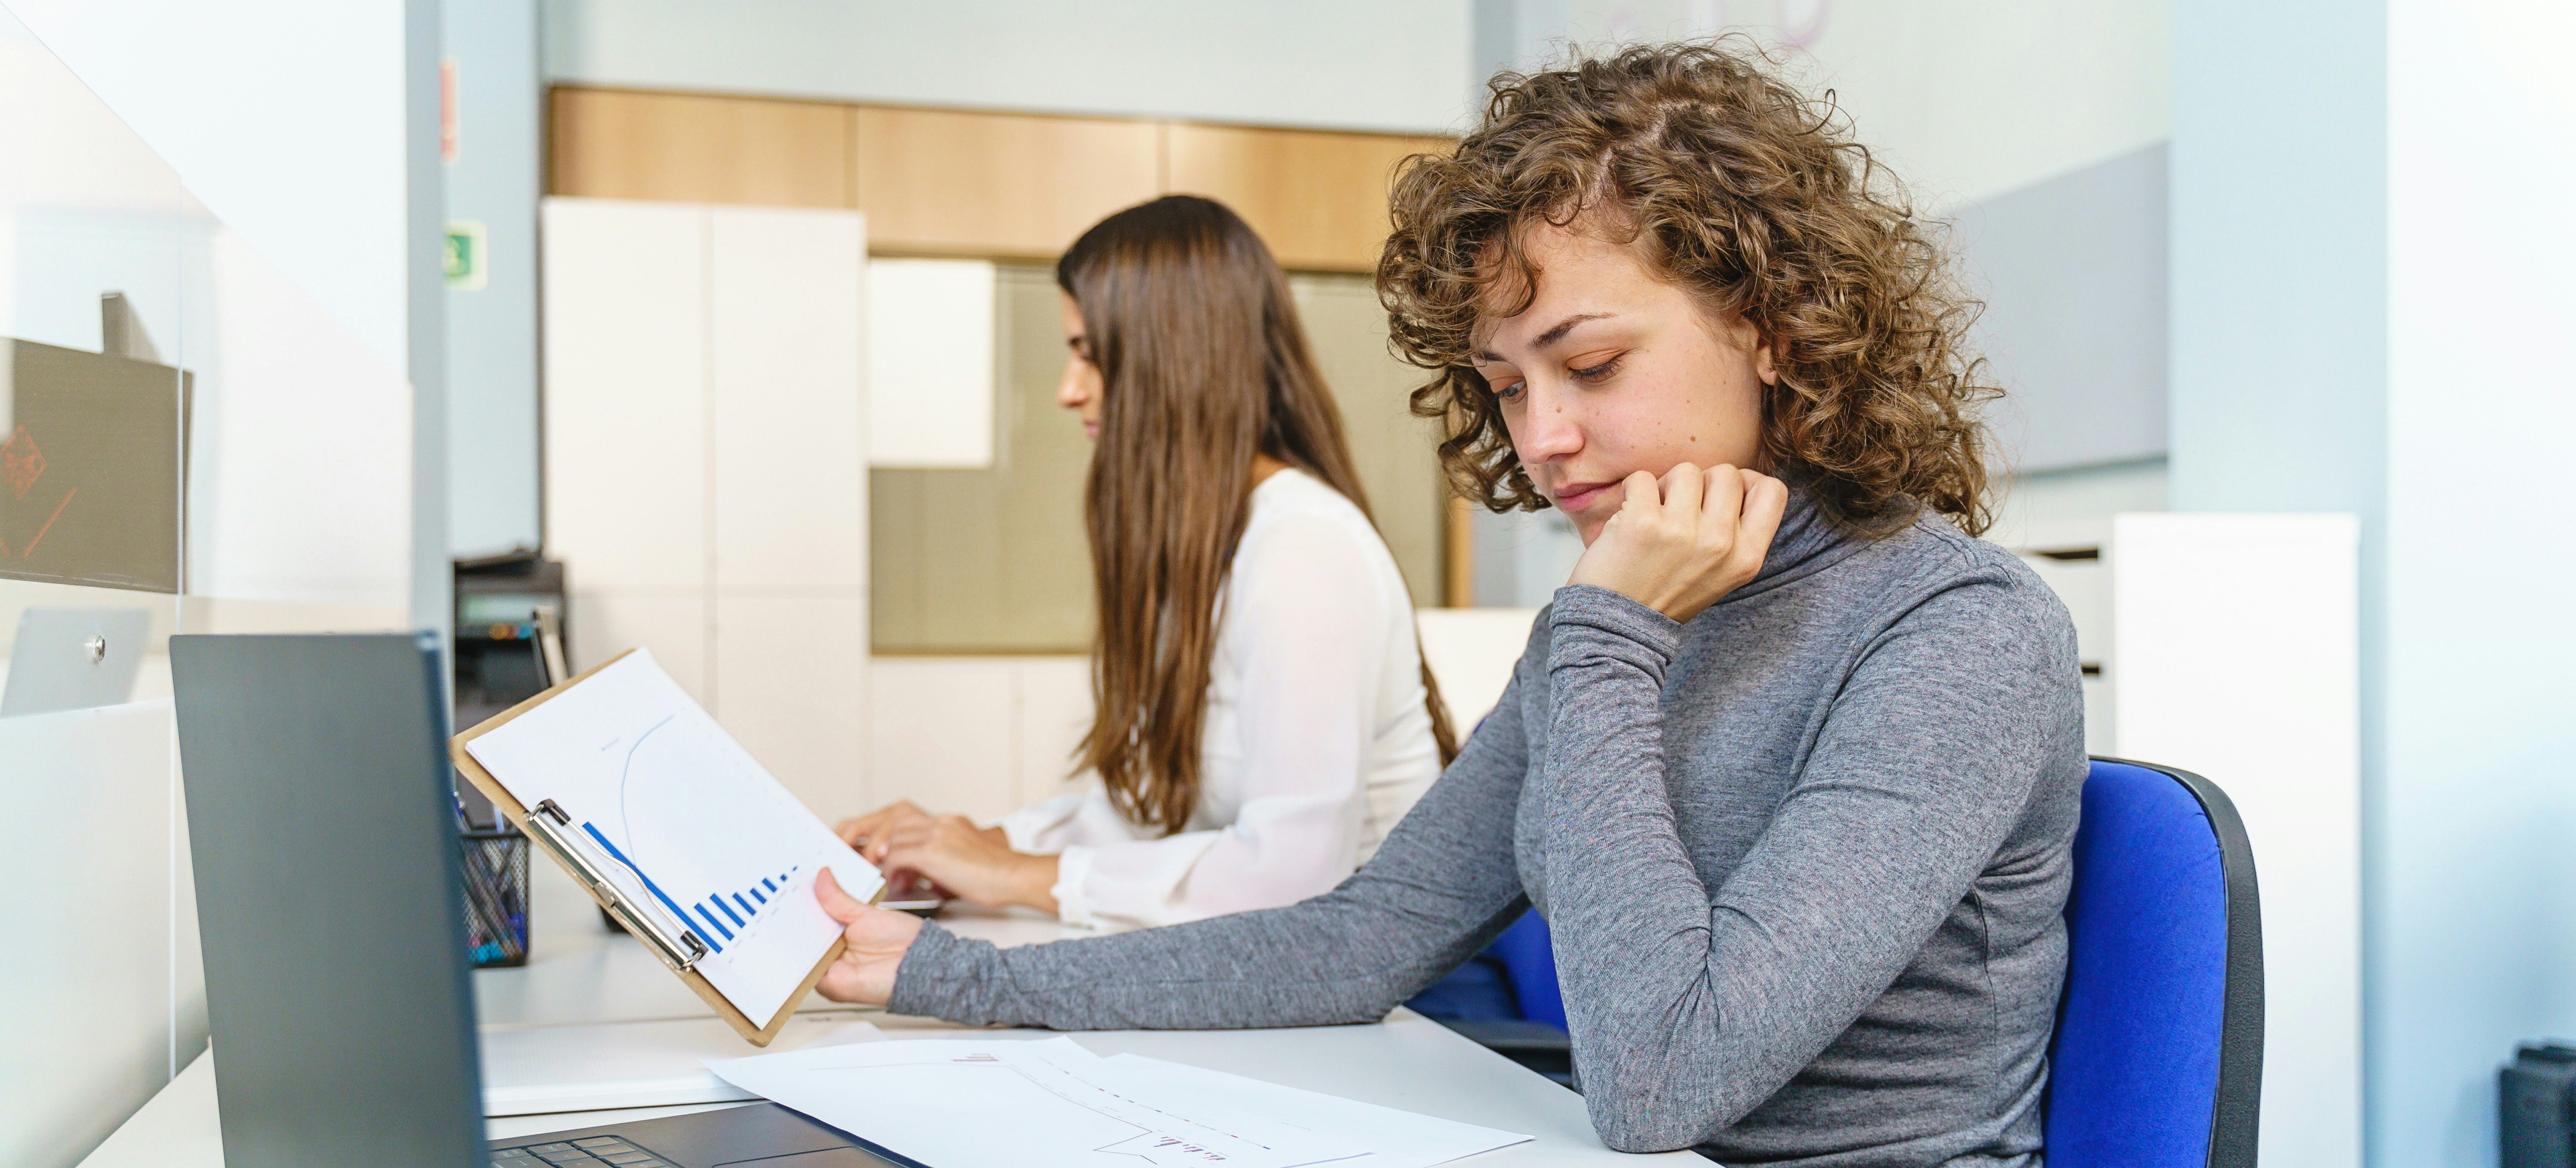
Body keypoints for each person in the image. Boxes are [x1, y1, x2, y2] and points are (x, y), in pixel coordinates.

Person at [812, 41, 2084, 1166]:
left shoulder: (1957, 630)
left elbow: (1663, 1079)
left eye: (1591, 364)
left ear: (1773, 328)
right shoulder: (1621, 617)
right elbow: (1368, 936)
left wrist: (1608, 640)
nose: (1543, 437)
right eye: (1508, 386)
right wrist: (947, 972)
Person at [836, 195, 1459, 933]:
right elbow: (1149, 820)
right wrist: (960, 846)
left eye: (1089, 353)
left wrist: (1011, 874)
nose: (1068, 389)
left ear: (1174, 357)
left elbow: (1288, 875)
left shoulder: (1303, 550)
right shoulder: (1210, 541)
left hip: (1392, 984)